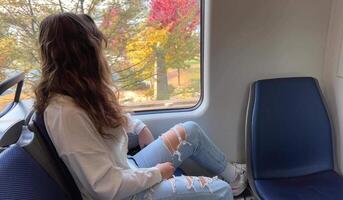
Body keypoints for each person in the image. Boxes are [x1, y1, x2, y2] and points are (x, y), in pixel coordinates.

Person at [34, 12, 247, 200]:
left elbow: (105, 119)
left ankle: (236, 180)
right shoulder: (66, 114)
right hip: (123, 193)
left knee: (191, 131)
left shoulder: (79, 96)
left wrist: (139, 127)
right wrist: (157, 173)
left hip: (128, 168)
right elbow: (105, 187)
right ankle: (229, 189)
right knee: (219, 190)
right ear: (85, 56)